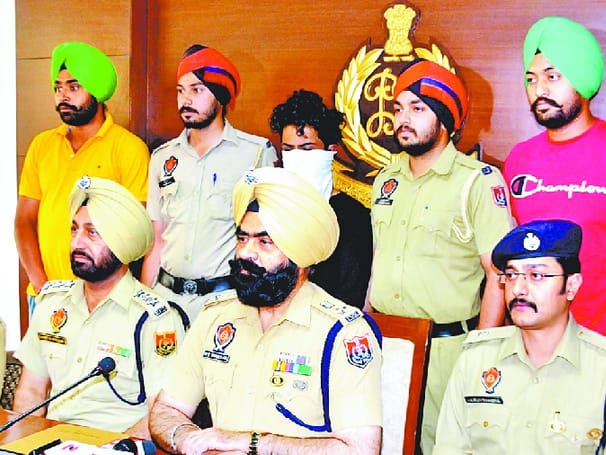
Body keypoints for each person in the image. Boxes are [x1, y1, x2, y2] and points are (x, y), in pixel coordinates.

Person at [149, 167, 382, 454]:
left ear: (300, 255)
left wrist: (254, 443)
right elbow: (167, 410)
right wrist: (189, 440)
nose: (246, 253)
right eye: (242, 238)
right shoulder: (215, 318)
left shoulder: (343, 332)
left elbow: (360, 450)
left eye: (265, 242)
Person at [503, 16, 606, 361]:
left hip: (600, 355)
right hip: (525, 354)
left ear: (582, 77)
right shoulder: (518, 160)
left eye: (552, 76)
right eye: (531, 79)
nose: (539, 89)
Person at [366, 58, 513, 453]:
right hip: (385, 342)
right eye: (398, 108)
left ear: (444, 119)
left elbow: (498, 275)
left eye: (417, 108)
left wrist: (480, 353)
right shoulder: (386, 180)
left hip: (447, 350)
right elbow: (379, 259)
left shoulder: (477, 182)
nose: (402, 119)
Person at [433, 219, 606, 454]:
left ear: (571, 286)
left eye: (536, 275)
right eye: (511, 275)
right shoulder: (476, 359)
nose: (518, 289)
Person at [13, 176, 186, 439]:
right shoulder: (51, 304)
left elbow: (160, 414)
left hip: (118, 445)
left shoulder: (155, 319)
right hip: (52, 443)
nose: (77, 243)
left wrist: (109, 449)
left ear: (122, 241)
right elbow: (30, 393)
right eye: (74, 230)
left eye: (92, 233)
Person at [142, 44, 277, 324]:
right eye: (181, 90)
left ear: (221, 96)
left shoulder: (255, 154)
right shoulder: (162, 157)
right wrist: (145, 302)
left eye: (197, 90)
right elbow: (156, 239)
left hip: (225, 303)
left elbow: (269, 239)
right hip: (166, 298)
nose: (186, 99)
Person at [15, 41, 149, 316]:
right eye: (58, 88)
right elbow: (24, 221)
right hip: (45, 296)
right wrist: (42, 286)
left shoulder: (128, 148)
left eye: (74, 87)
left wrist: (101, 293)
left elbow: (134, 234)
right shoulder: (42, 145)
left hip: (103, 301)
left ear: (97, 92)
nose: (63, 96)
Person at [269, 89, 372, 308]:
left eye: (307, 148)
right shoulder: (272, 209)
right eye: (288, 149)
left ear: (330, 150)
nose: (297, 157)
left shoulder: (353, 216)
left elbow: (352, 292)